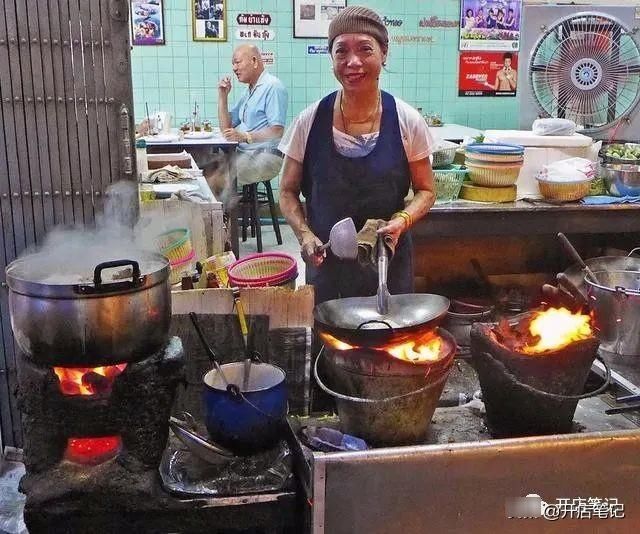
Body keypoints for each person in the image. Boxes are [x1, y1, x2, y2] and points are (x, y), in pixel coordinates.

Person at [278, 6, 435, 304]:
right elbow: (286, 192)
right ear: (332, 58)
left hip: (387, 265)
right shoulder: (309, 121)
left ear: (384, 53)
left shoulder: (406, 119)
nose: (353, 62)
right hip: (327, 268)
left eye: (365, 49)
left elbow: (426, 191)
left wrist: (402, 220)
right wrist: (305, 235)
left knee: (391, 345)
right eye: (341, 52)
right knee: (330, 345)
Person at [217, 44, 288, 187]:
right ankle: (225, 208)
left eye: (237, 62)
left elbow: (277, 131)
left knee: (216, 180)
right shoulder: (249, 90)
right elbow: (227, 128)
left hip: (266, 155)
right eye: (233, 64)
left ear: (254, 61)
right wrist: (222, 96)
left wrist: (245, 136)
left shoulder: (273, 86)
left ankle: (226, 209)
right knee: (205, 170)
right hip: (245, 152)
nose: (234, 68)